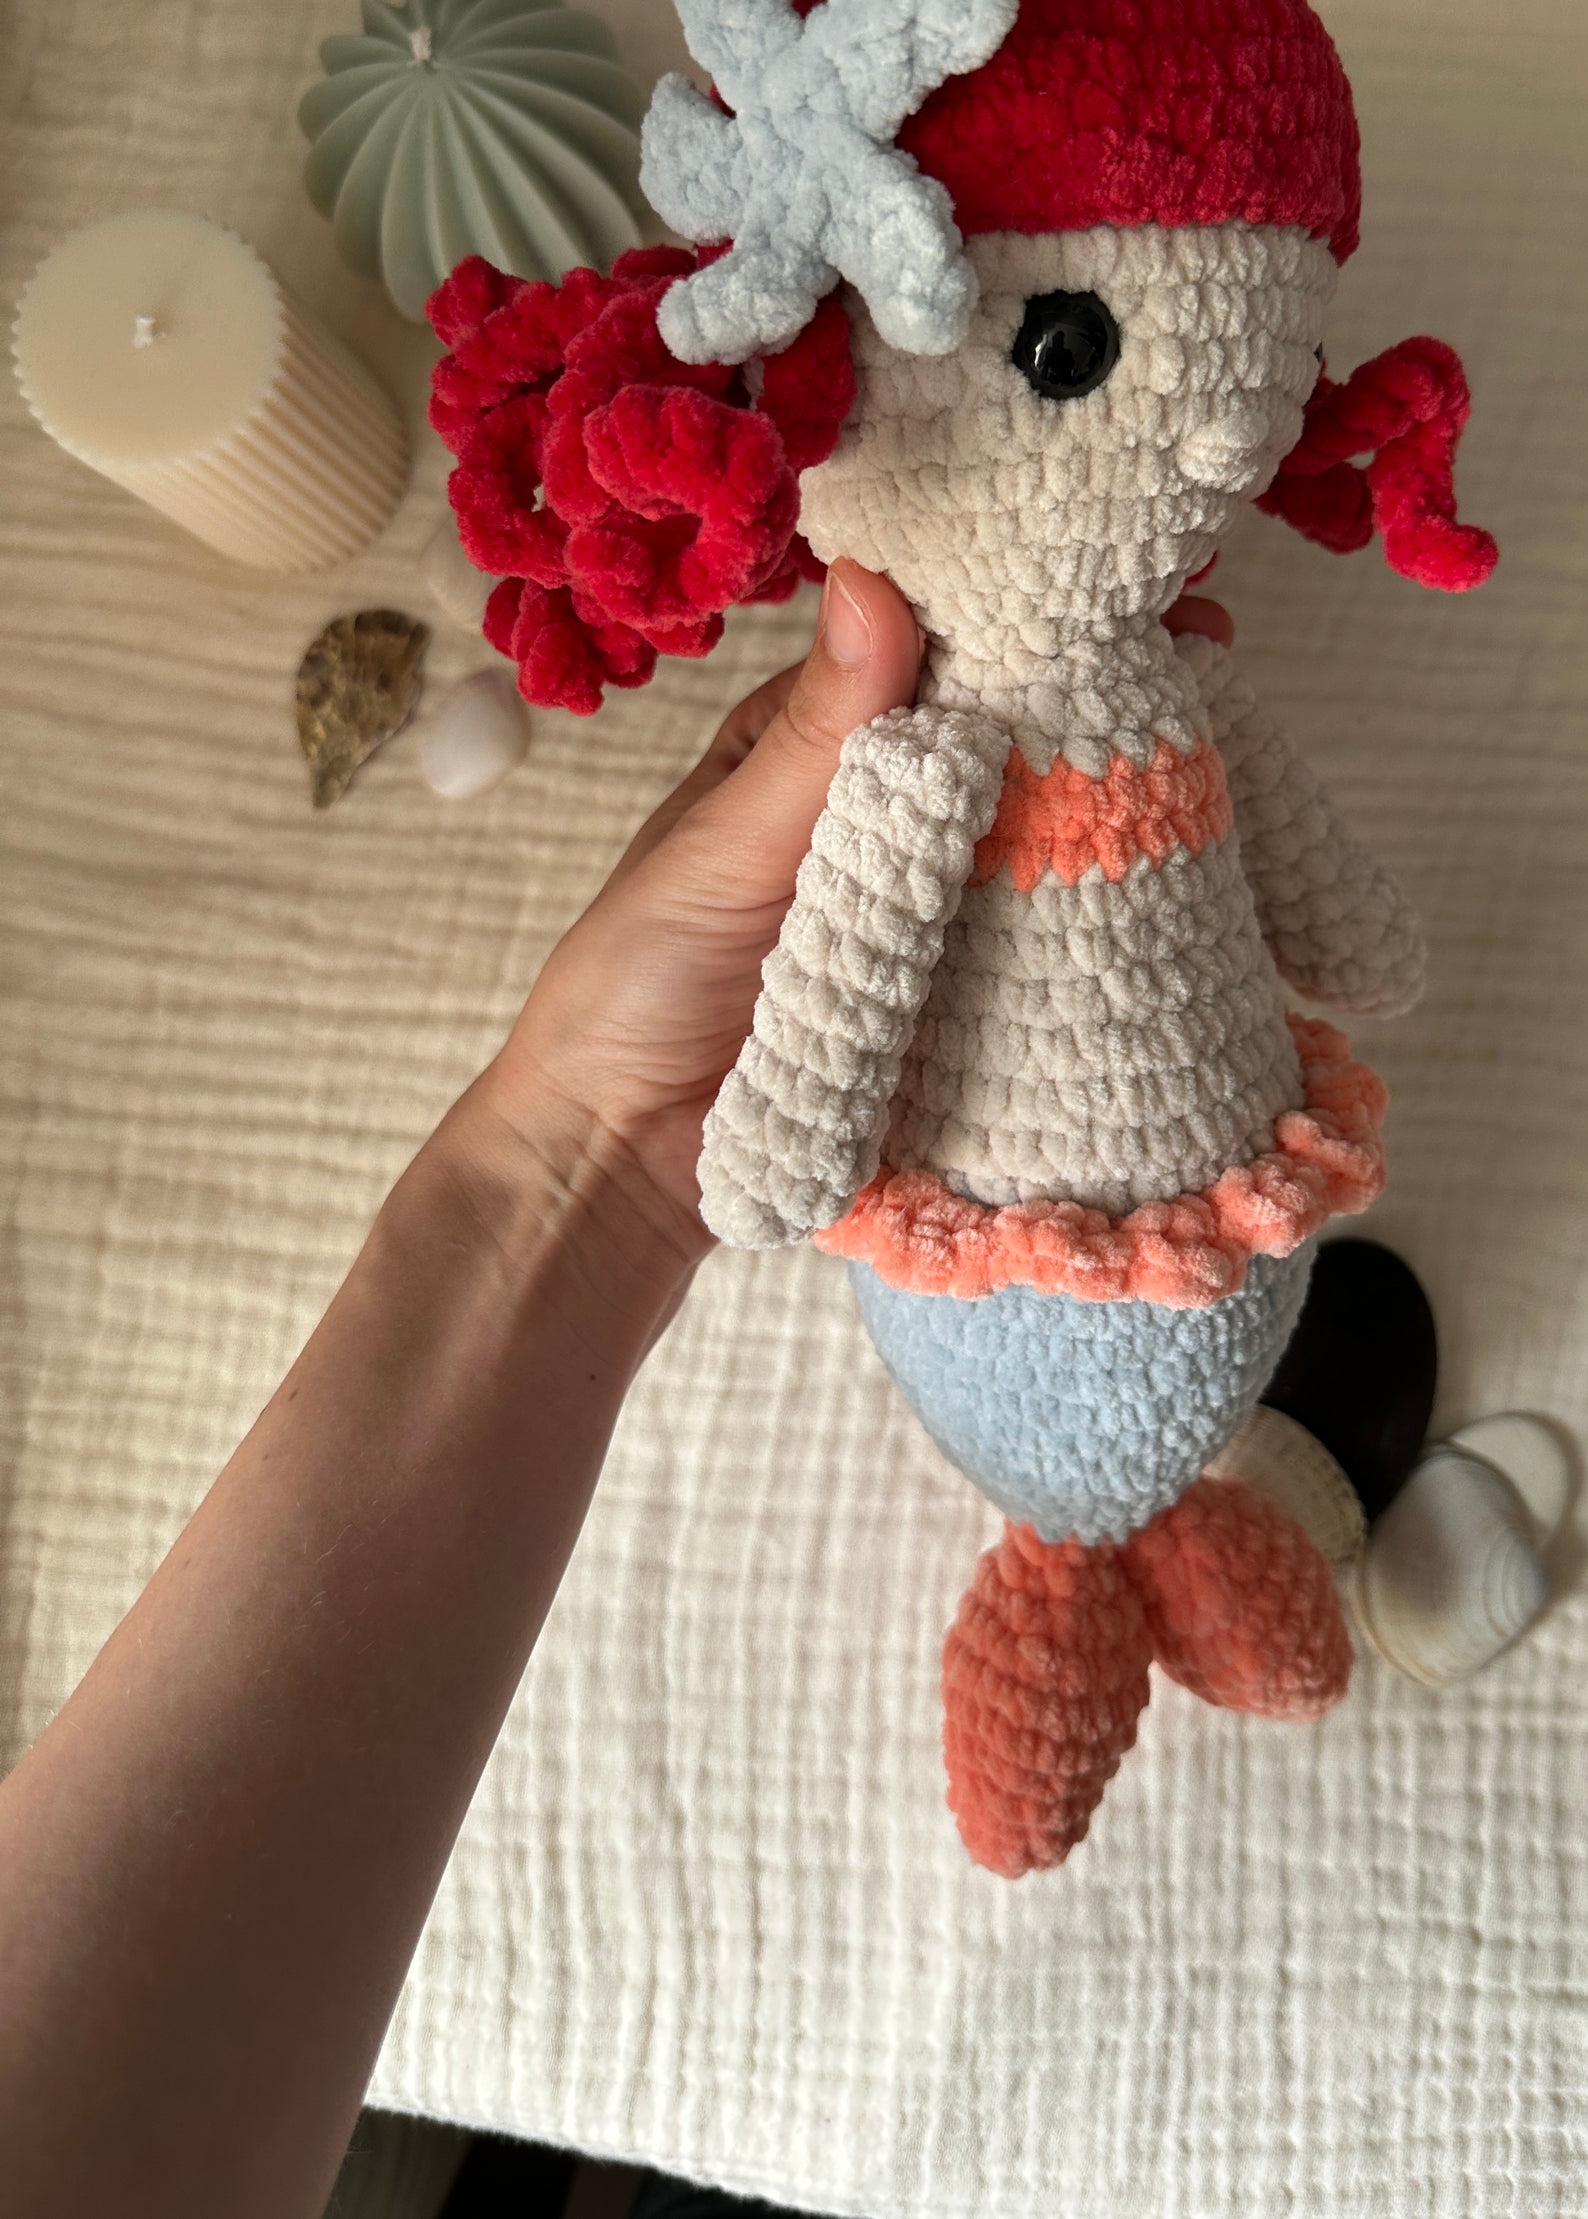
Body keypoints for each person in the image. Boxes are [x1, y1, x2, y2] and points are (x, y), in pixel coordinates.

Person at [0, 561, 1244, 2218]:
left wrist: (599, 1150)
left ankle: (1145, 1522)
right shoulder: (933, 774)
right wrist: (615, 1150)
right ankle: (1105, 1544)